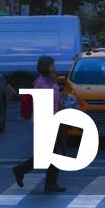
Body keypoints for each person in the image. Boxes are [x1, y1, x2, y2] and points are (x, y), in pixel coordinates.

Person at [13, 55, 68, 194]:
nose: (55, 67)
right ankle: (49, 184)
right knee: (53, 155)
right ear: (47, 67)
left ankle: (22, 170)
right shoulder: (41, 83)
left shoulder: (49, 81)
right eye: (52, 65)